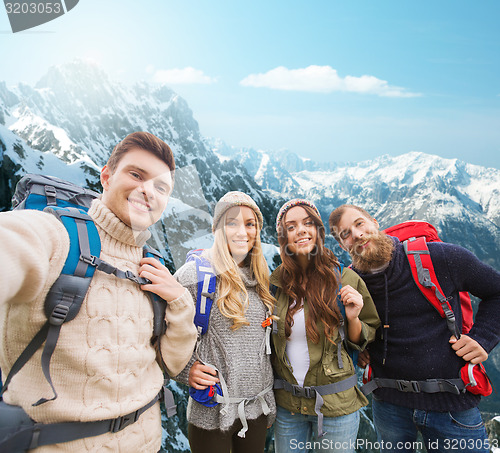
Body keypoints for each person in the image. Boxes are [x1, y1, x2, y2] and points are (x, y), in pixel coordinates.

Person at [0, 132, 198, 452]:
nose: (148, 190)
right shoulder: (56, 235)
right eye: (136, 174)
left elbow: (173, 364)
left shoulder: (154, 265)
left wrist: (179, 301)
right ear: (106, 176)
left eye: (161, 187)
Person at [329, 204, 500, 453]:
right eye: (345, 234)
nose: (356, 235)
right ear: (343, 245)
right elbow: (352, 328)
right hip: (388, 405)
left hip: (451, 403)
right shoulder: (351, 283)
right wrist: (361, 348)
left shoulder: (441, 258)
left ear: (375, 222)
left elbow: (496, 290)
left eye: (359, 224)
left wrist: (483, 339)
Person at [170, 191, 276, 453]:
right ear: (218, 228)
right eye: (232, 222)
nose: (242, 231)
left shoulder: (263, 279)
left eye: (250, 224)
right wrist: (184, 371)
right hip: (211, 413)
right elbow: (158, 333)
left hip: (256, 411)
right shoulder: (195, 275)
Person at [271, 199, 380, 453]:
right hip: (288, 406)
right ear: (283, 237)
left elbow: (366, 335)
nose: (301, 230)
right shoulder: (274, 285)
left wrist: (353, 318)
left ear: (319, 231)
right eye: (291, 226)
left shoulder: (345, 278)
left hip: (336, 406)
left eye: (308, 223)